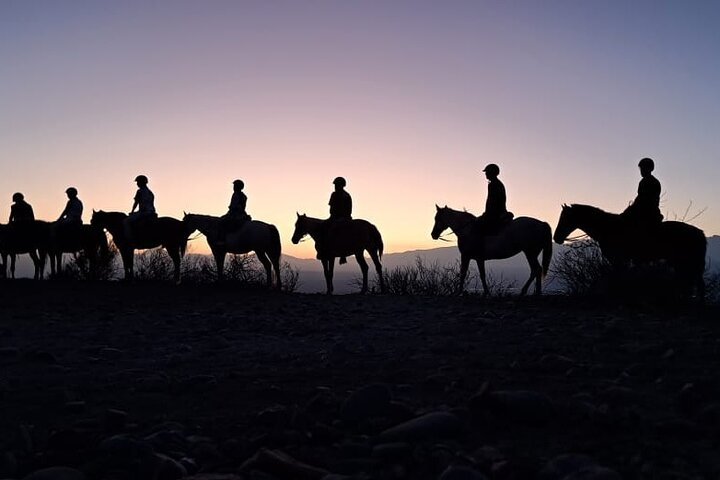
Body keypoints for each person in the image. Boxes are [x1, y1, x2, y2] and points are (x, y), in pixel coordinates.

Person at [317, 177, 353, 263]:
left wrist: (338, 216)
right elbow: (331, 207)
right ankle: (322, 250)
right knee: (322, 227)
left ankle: (343, 253)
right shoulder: (334, 194)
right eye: (335, 185)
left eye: (337, 185)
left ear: (341, 185)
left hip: (344, 218)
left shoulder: (346, 196)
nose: (335, 186)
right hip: (334, 217)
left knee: (337, 230)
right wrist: (332, 216)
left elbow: (348, 210)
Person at [622, 157, 663, 228]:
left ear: (648, 168)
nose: (641, 171)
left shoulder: (646, 182)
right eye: (641, 168)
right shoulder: (654, 181)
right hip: (653, 213)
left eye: (643, 168)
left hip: (646, 214)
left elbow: (641, 199)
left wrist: (629, 210)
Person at [476, 163, 513, 235]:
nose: (485, 174)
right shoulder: (495, 183)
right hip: (496, 212)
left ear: (491, 172)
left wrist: (487, 213)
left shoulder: (494, 184)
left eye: (487, 172)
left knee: (478, 225)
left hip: (495, 213)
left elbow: (491, 201)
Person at [217, 179, 251, 246]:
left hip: (235, 214)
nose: (233, 187)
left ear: (238, 187)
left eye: (235, 186)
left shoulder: (235, 194)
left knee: (221, 221)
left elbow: (233, 206)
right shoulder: (244, 196)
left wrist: (230, 210)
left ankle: (222, 240)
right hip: (242, 214)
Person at [124, 175, 157, 242]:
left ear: (141, 182)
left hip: (143, 212)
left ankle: (130, 238)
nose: (137, 184)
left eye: (138, 182)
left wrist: (132, 211)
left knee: (126, 221)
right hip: (152, 212)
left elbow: (136, 203)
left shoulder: (139, 191)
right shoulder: (150, 192)